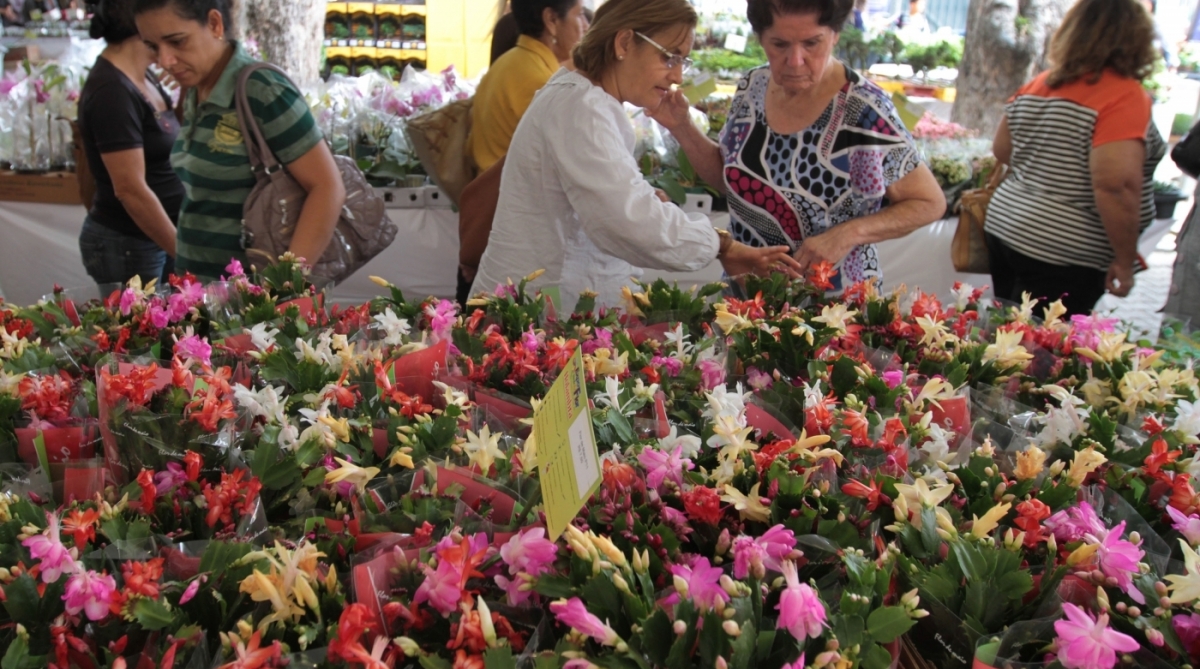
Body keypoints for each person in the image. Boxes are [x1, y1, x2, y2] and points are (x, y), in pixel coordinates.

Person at [471, 0, 801, 309]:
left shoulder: (586, 98)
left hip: (547, 298)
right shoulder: (583, 107)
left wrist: (641, 195)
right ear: (624, 43)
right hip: (541, 308)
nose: (678, 77)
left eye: (683, 61)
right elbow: (629, 222)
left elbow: (603, 205)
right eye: (669, 57)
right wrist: (722, 245)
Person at [651, 0, 944, 293]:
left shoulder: (863, 109)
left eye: (812, 43)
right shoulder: (752, 86)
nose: (795, 60)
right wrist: (682, 126)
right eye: (779, 44)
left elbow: (928, 203)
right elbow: (729, 180)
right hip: (746, 302)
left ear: (835, 34)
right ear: (761, 38)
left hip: (834, 309)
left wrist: (849, 233)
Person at [133, 0, 345, 279]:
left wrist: (283, 287)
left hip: (252, 303)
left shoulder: (261, 89)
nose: (165, 61)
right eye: (152, 46)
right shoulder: (197, 89)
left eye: (177, 41)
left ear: (214, 24)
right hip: (199, 296)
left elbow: (327, 187)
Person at [984, 0, 1164, 315]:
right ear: (1136, 38)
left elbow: (1002, 149)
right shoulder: (1124, 94)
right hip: (1063, 251)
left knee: (1008, 338)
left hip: (1007, 227)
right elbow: (1115, 185)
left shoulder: (1043, 83)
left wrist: (1047, 168)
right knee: (1041, 352)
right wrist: (1124, 261)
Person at [77, 0, 184, 288]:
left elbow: (169, 136)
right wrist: (182, 251)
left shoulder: (144, 74)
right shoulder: (111, 90)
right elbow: (130, 189)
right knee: (142, 330)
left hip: (157, 236)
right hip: (129, 242)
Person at [469, 0, 590, 175]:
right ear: (551, 20)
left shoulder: (508, 62)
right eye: (579, 14)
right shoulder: (540, 82)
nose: (586, 26)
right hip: (510, 196)